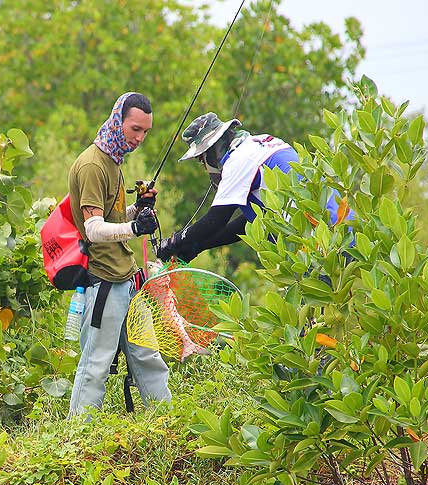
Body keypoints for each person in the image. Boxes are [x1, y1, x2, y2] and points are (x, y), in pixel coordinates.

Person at [66, 92, 172, 417]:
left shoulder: (114, 161)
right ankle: (76, 440)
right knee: (96, 364)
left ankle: (170, 424)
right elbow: (95, 229)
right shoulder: (92, 165)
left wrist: (137, 211)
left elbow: (113, 219)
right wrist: (135, 229)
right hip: (104, 283)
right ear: (118, 121)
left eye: (145, 132)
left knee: (147, 356)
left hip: (128, 280)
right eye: (135, 129)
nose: (139, 138)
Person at [156, 112, 350, 263]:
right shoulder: (260, 143)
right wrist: (198, 245)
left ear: (211, 150)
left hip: (321, 247)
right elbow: (249, 224)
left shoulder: (238, 160)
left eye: (201, 160)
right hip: (344, 232)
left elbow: (216, 220)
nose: (204, 166)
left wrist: (175, 242)